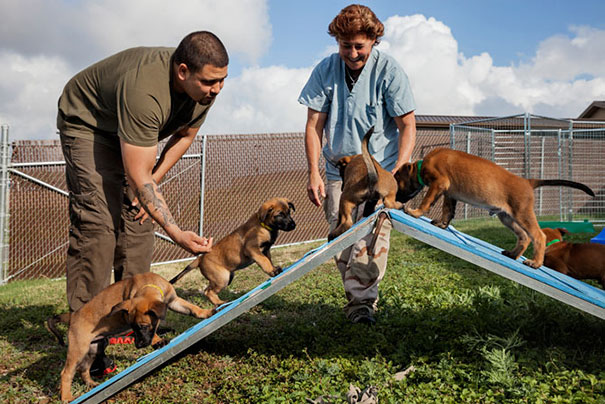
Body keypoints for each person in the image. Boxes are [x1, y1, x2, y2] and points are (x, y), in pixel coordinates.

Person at [57, 31, 227, 375]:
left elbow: (184, 136)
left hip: (134, 137)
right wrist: (177, 232)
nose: (217, 90)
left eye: (223, 80)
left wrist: (150, 185)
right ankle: (89, 333)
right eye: (210, 82)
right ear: (182, 71)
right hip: (90, 126)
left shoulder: (205, 89)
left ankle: (136, 318)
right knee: (99, 227)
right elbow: (139, 174)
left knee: (139, 220)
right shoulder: (144, 91)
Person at [298, 5, 416, 324]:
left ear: (373, 41)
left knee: (373, 236)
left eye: (359, 46)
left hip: (380, 171)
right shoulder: (325, 70)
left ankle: (362, 304)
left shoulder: (389, 71)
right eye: (345, 45)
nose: (352, 53)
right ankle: (356, 297)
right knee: (343, 236)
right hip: (340, 170)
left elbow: (407, 125)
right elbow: (313, 126)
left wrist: (398, 171)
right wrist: (314, 172)